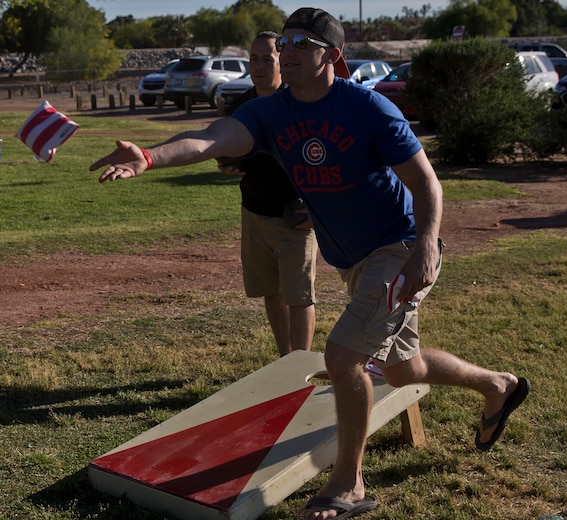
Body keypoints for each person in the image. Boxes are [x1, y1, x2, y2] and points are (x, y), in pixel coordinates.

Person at [91, 8, 531, 520]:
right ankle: (499, 385)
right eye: (285, 41)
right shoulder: (271, 112)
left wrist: (427, 246)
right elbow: (215, 138)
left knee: (343, 358)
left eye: (303, 42)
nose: (288, 51)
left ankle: (349, 485)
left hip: (399, 248)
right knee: (400, 367)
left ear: (333, 56)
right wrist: (149, 155)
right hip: (352, 260)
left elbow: (427, 183)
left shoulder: (368, 108)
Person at [217, 31, 317, 357]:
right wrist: (228, 164)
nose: (259, 66)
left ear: (281, 61)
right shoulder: (241, 106)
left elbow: (324, 161)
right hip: (254, 214)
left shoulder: (299, 104)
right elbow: (232, 152)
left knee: (300, 298)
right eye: (254, 59)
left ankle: (300, 370)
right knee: (271, 294)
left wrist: (315, 210)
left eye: (267, 59)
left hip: (296, 218)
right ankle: (285, 359)